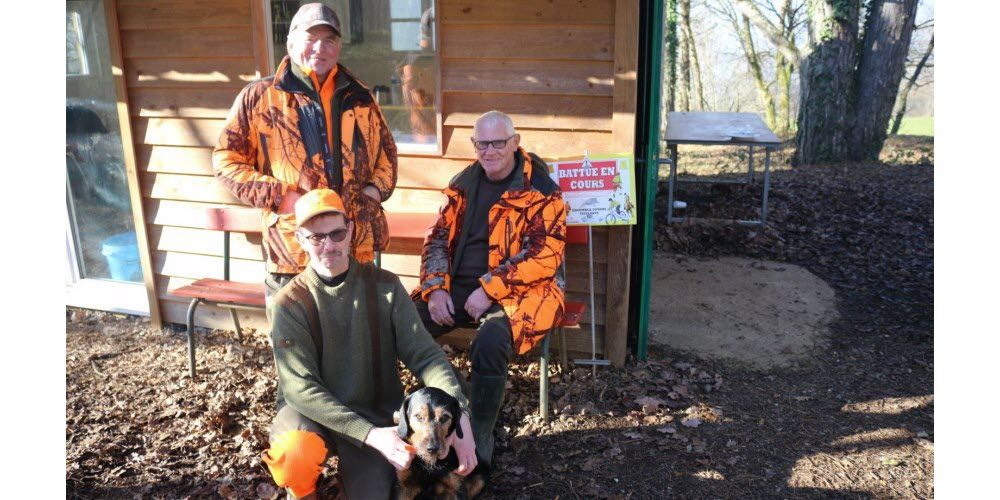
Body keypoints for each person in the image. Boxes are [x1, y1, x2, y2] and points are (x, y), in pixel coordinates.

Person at [264, 189, 476, 499]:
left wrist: (462, 416)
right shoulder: (289, 303)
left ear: (350, 231)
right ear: (300, 239)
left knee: (377, 494)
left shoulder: (385, 287)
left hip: (374, 414)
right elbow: (300, 390)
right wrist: (372, 436)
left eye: (336, 233)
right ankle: (304, 493)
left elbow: (426, 356)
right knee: (294, 457)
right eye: (316, 237)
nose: (329, 245)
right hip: (312, 416)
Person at [212, 3, 397, 310]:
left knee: (359, 342)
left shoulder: (361, 96)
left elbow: (387, 156)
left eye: (329, 40)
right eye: (311, 38)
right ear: (291, 41)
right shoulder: (260, 97)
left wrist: (374, 191)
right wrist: (279, 196)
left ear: (338, 46)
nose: (320, 48)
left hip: (355, 244)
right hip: (293, 250)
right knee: (297, 345)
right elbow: (226, 160)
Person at [412, 110, 568, 476]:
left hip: (522, 291)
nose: (491, 150)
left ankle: (481, 428)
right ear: (474, 145)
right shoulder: (463, 185)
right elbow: (435, 238)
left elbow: (544, 256)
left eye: (499, 142)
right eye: (483, 143)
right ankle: (459, 396)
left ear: (515, 143)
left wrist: (489, 288)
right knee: (401, 325)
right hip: (457, 287)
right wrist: (435, 289)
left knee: (491, 340)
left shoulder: (542, 191)